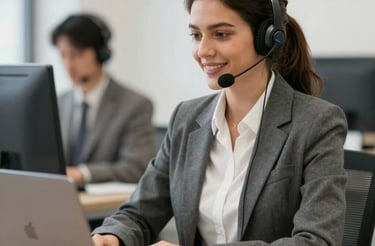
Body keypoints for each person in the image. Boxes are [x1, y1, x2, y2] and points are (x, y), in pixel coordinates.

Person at [92, 0, 348, 245]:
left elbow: (316, 241)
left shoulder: (317, 123)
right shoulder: (186, 118)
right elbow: (138, 213)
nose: (203, 50)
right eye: (196, 35)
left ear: (267, 37)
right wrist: (112, 236)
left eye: (221, 34)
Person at [51, 13, 155, 184]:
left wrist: (82, 174)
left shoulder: (135, 105)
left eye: (77, 54)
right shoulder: (58, 102)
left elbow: (137, 167)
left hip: (106, 208)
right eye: (63, 55)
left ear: (101, 53)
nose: (69, 65)